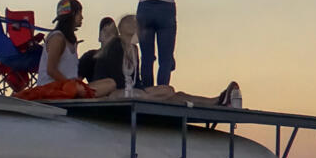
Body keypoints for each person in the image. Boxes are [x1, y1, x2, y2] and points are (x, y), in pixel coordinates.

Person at [90, 15, 239, 105]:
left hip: (133, 91)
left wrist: (149, 91)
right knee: (153, 95)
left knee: (170, 92)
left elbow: (137, 81)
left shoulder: (134, 50)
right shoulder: (115, 46)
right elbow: (116, 81)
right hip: (113, 94)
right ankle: (155, 99)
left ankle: (215, 101)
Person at [17, 0, 116, 100]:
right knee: (105, 89)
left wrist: (75, 84)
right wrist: (72, 86)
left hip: (67, 86)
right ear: (72, 15)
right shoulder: (57, 38)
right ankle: (78, 95)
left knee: (110, 83)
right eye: (79, 14)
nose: (82, 17)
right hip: (52, 88)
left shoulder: (71, 40)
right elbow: (51, 70)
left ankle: (79, 95)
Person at [78, 17, 116, 83]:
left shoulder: (123, 57)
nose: (108, 33)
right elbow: (76, 80)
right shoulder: (90, 56)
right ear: (99, 37)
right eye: (105, 30)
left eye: (112, 32)